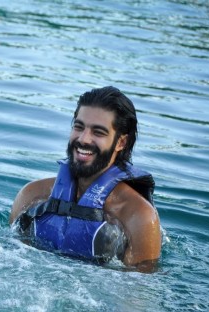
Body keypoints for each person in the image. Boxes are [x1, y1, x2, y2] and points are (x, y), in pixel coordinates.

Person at [9, 86, 161, 272]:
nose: (83, 139)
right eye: (79, 127)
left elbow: (139, 293)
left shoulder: (138, 217)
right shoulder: (31, 196)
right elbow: (10, 259)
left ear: (121, 142)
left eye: (98, 132)